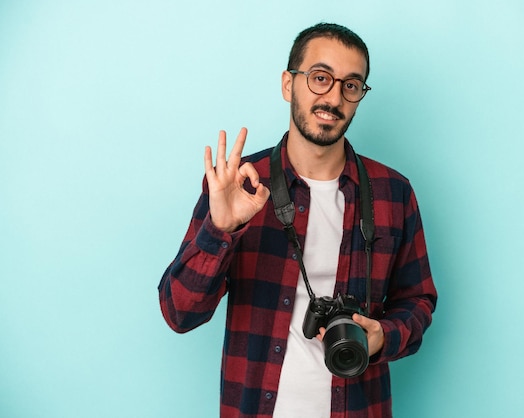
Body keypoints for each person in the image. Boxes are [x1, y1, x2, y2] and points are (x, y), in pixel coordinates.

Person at [158, 22, 437, 418]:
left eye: (351, 85)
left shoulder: (394, 192)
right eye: (320, 78)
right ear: (289, 84)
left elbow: (418, 300)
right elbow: (179, 313)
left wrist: (383, 337)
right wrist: (222, 229)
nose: (334, 97)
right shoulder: (238, 184)